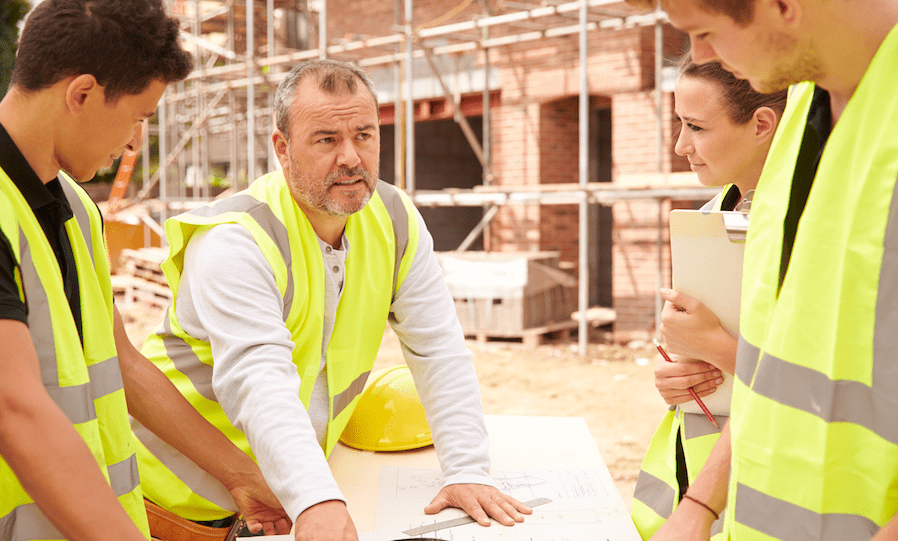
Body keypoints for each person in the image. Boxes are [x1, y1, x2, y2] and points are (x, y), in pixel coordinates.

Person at [134, 58, 532, 541]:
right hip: (167, 508)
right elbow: (260, 381)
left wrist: (467, 468)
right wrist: (316, 499)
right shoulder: (234, 241)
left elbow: (440, 351)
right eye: (326, 140)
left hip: (277, 507)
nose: (351, 157)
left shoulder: (395, 220)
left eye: (364, 135)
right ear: (282, 149)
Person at [0, 0, 291, 539]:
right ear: (82, 93)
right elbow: (14, 411)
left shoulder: (77, 211)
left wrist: (240, 474)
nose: (135, 141)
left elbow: (123, 363)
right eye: (137, 116)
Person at [624, 0, 898, 540]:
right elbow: (782, 371)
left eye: (703, 32)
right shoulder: (799, 118)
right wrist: (699, 506)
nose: (701, 55)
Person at [630, 56, 786, 540]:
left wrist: (715, 347)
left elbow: (824, 382)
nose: (680, 146)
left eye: (695, 126)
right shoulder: (712, 215)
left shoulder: (810, 226)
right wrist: (678, 376)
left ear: (762, 124)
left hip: (769, 485)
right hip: (698, 488)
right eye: (680, 124)